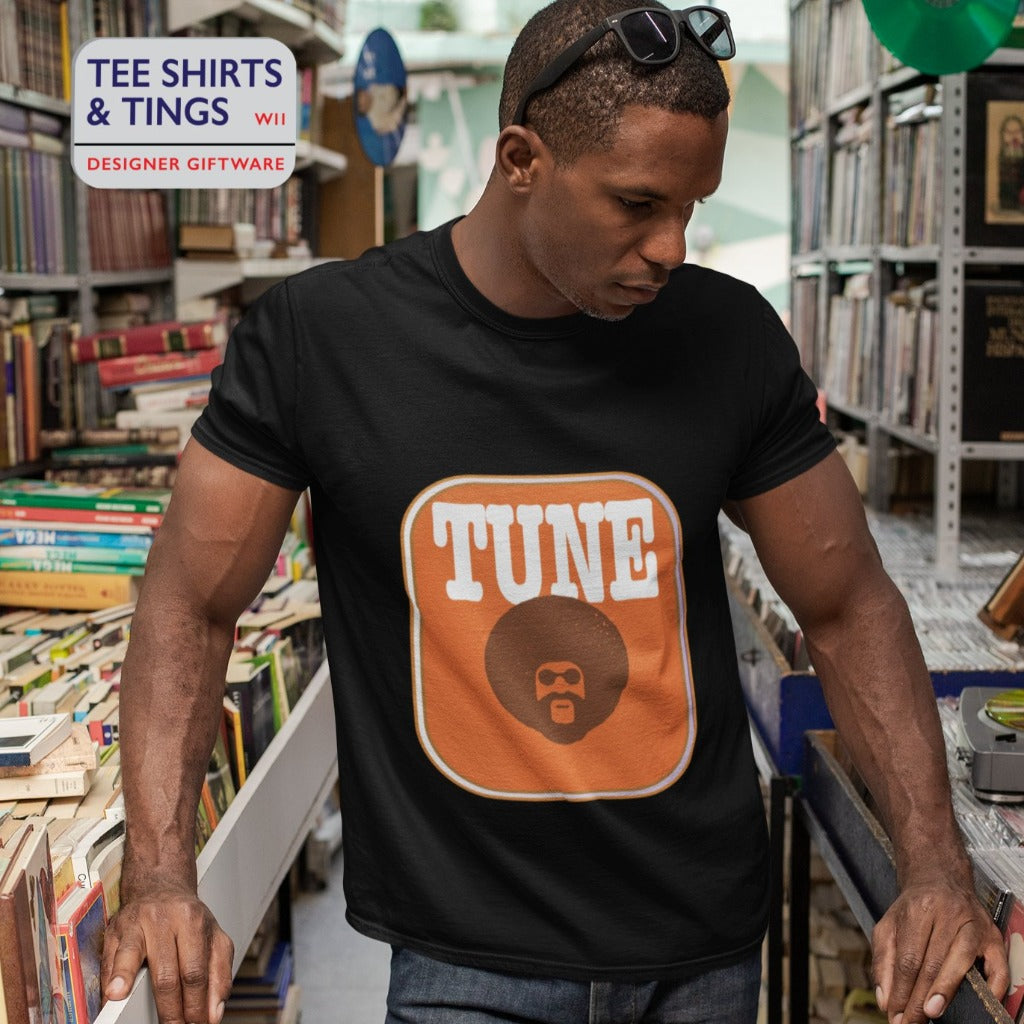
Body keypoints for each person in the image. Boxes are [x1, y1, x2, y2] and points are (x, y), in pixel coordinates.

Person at [100, 2, 1009, 1023]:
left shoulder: (724, 338)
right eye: (635, 203)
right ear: (520, 158)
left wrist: (933, 866)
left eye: (691, 208)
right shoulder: (321, 341)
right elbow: (189, 604)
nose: (671, 246)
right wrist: (162, 877)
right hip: (463, 964)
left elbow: (846, 607)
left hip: (698, 952)